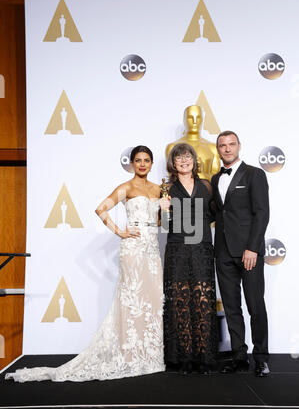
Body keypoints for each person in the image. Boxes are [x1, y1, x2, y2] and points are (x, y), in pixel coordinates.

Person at [5, 146, 165, 382]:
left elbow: (160, 220)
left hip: (152, 251)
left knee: (153, 301)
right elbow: (100, 209)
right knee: (132, 301)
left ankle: (150, 355)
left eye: (147, 160)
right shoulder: (127, 187)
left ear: (152, 164)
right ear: (132, 163)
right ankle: (130, 355)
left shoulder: (158, 189)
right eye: (138, 160)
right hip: (132, 251)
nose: (142, 164)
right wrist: (120, 232)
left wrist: (165, 210)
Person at [211, 131, 270, 377]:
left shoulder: (255, 174)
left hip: (249, 252)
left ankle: (261, 358)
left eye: (231, 144)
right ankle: (238, 356)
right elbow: (218, 214)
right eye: (222, 145)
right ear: (218, 149)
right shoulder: (215, 179)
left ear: (239, 146)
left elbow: (262, 213)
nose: (227, 149)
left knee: (255, 305)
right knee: (232, 307)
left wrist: (253, 248)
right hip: (223, 251)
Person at [160, 143, 218, 375]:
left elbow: (214, 214)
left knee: (203, 300)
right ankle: (183, 358)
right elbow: (165, 225)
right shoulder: (168, 188)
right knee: (180, 302)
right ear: (172, 164)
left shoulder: (206, 186)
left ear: (194, 161)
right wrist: (164, 210)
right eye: (178, 158)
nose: (183, 161)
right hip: (177, 249)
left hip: (202, 248)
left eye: (187, 157)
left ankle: (204, 357)